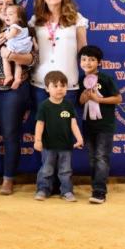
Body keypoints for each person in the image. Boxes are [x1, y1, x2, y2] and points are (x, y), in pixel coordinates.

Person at [0, 0, 37, 196]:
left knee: (11, 133)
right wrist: (1, 38)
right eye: (0, 4)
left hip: (14, 88)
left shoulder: (24, 29)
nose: (4, 8)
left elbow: (32, 59)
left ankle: (8, 179)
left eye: (8, 4)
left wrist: (12, 54)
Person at [30, 0, 88, 107]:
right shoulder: (35, 20)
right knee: (42, 126)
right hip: (40, 83)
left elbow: (83, 51)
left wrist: (90, 78)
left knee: (66, 126)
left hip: (67, 83)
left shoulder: (77, 18)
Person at [78, 45, 122, 204]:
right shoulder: (79, 80)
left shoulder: (105, 79)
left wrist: (100, 100)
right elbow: (80, 102)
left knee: (101, 157)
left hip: (105, 126)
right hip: (88, 125)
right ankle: (96, 187)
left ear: (99, 62)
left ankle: (99, 192)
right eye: (84, 59)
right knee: (92, 159)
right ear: (79, 62)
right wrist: (84, 96)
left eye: (91, 60)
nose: (87, 62)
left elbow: (118, 99)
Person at [33, 71, 84, 202]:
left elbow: (73, 124)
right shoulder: (44, 106)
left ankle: (66, 191)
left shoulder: (68, 105)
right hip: (48, 146)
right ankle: (43, 190)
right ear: (47, 88)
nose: (59, 89)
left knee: (65, 171)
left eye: (63, 85)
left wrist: (79, 138)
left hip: (66, 146)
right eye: (55, 86)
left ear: (67, 88)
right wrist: (37, 140)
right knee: (46, 169)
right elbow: (40, 124)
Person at [1, 4, 33, 90]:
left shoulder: (14, 27)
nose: (7, 16)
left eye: (10, 14)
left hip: (16, 47)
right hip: (23, 48)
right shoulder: (24, 28)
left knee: (4, 57)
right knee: (18, 63)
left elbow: (10, 36)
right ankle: (17, 79)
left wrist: (5, 34)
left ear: (19, 18)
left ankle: (8, 75)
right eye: (6, 14)